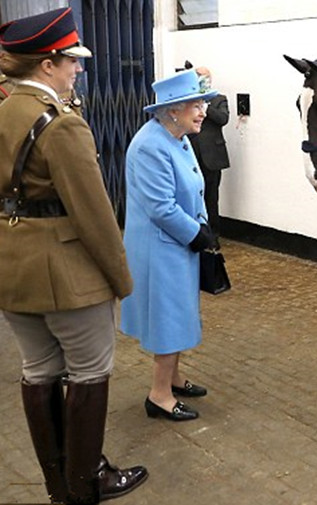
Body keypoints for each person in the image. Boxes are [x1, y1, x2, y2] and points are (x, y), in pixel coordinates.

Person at [0, 7, 148, 503]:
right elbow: (93, 214)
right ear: (47, 64)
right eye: (71, 61)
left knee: (38, 372)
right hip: (69, 274)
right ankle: (86, 483)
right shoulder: (62, 125)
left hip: (12, 266)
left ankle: (59, 484)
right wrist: (121, 279)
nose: (77, 70)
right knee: (90, 372)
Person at [120, 69, 218, 422]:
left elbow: (194, 183)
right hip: (160, 248)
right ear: (172, 109)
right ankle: (158, 395)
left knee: (179, 313)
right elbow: (160, 207)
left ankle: (173, 379)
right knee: (167, 319)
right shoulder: (149, 145)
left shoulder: (176, 136)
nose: (203, 111)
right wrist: (197, 234)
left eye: (203, 103)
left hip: (179, 243)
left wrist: (203, 223)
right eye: (196, 104)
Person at [188, 66, 230, 246]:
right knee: (192, 195)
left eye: (205, 78)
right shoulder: (189, 100)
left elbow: (223, 119)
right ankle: (195, 232)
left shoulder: (219, 99)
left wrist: (205, 104)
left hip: (212, 157)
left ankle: (213, 236)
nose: (202, 81)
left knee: (211, 197)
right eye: (199, 78)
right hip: (191, 155)